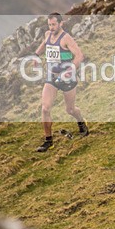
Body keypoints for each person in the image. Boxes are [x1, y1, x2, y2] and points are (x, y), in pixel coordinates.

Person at [33, 13, 88, 152]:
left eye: (54, 24)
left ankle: (81, 122)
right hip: (52, 77)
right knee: (45, 108)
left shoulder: (66, 38)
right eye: (49, 24)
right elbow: (44, 44)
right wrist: (36, 55)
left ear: (61, 23)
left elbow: (79, 55)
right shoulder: (48, 34)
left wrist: (70, 69)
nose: (51, 27)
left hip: (67, 78)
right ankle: (48, 141)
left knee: (70, 110)